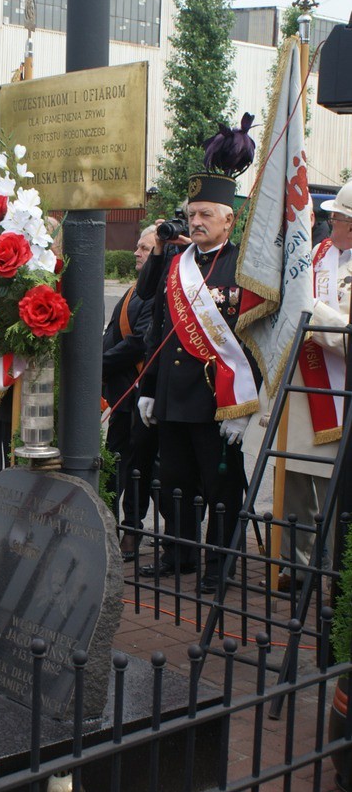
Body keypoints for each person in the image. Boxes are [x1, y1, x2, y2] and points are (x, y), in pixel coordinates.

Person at [138, 163, 260, 594]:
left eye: (207, 214)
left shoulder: (243, 266)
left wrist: (245, 406)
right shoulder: (177, 262)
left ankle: (218, 566)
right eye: (192, 214)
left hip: (217, 399)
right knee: (175, 483)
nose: (196, 222)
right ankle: (179, 554)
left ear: (229, 218)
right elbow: (157, 324)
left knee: (220, 488)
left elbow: (252, 340)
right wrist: (150, 389)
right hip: (173, 395)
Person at [248, 184, 352, 590]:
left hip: (339, 404)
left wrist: (312, 310)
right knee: (290, 492)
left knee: (336, 500)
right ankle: (295, 567)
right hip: (297, 395)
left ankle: (337, 578)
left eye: (338, 218)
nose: (330, 223)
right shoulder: (315, 256)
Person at [102, 227, 155, 555]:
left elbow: (138, 342)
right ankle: (107, 523)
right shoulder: (136, 287)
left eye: (145, 248)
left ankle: (133, 528)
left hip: (139, 393)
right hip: (121, 394)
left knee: (137, 467)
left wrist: (98, 363)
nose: (136, 253)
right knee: (113, 463)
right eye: (137, 246)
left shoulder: (154, 292)